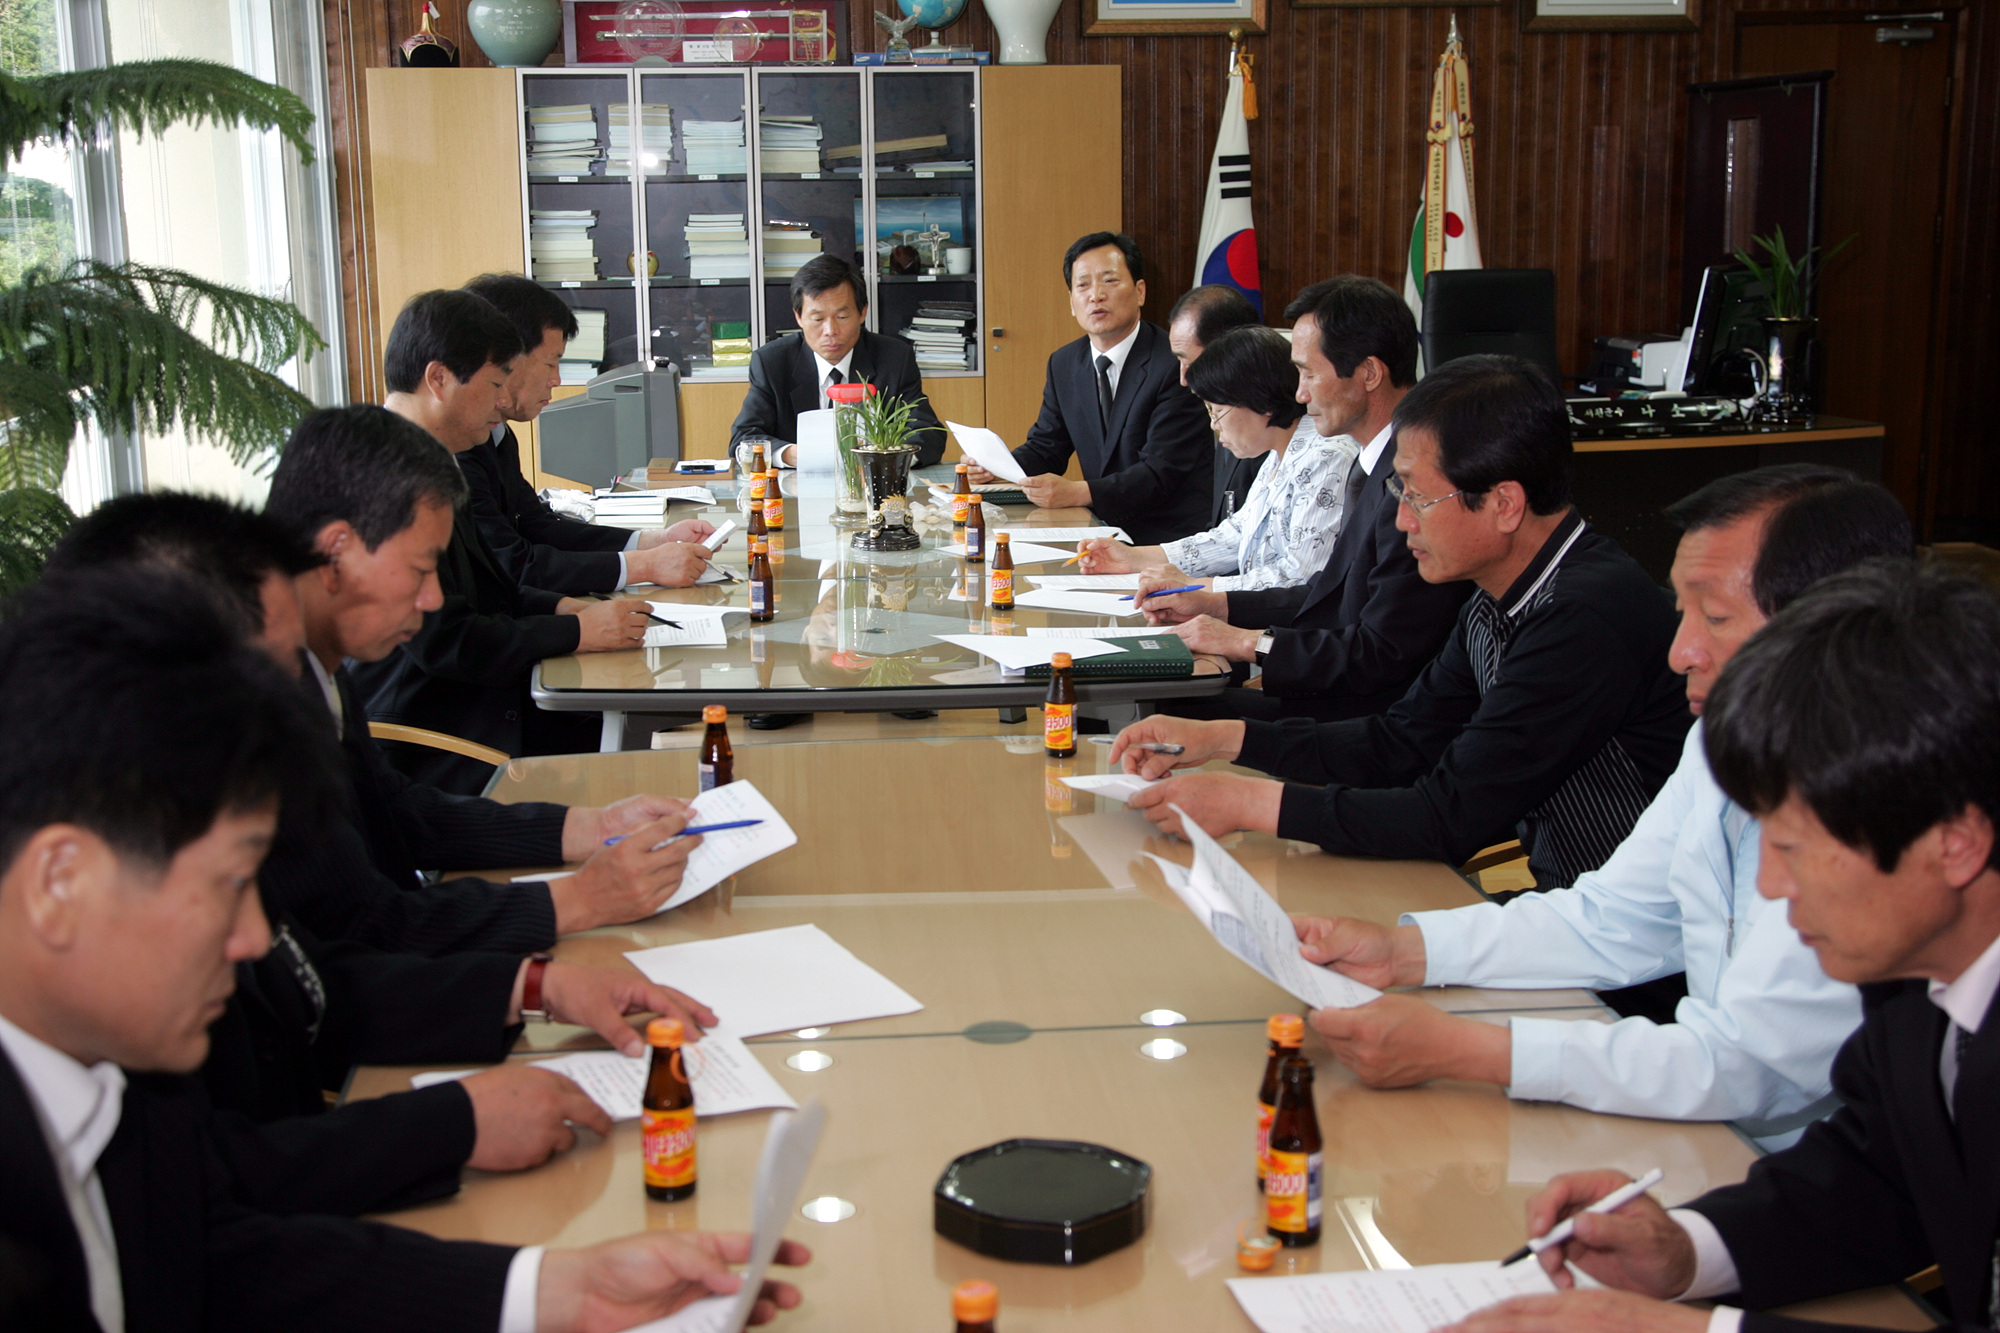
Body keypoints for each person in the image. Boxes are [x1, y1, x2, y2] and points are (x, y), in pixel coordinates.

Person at [0, 573, 808, 1333]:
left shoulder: (99, 1069)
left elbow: (221, 1254)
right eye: (224, 886)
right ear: (58, 881)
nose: (256, 939)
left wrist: (559, 1288)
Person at [43, 490, 718, 1217]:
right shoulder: (141, 880)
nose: (287, 698)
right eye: (265, 672)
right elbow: (223, 1202)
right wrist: (451, 1122)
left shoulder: (214, 783)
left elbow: (310, 977)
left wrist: (533, 985)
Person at [1439, 561, 2000, 1333]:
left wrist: (1695, 1331)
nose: (1769, 886)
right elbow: (1879, 1176)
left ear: (1956, 843)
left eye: (1795, 847)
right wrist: (1687, 1249)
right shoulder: (1919, 979)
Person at [1286, 471, 1912, 1141]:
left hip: (1815, 1176)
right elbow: (1614, 916)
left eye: (1718, 618)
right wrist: (1404, 951)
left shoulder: (1895, 803)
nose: (1680, 653)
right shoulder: (1720, 740)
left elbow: (1746, 1064)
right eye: (1684, 613)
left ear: (1836, 625)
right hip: (1701, 1130)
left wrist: (1472, 1050)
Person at [1111, 354, 1692, 889]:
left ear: (1504, 504)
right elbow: (1401, 740)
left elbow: (1448, 814)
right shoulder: (1497, 595)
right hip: (1571, 905)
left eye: (1415, 496)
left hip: (1623, 944)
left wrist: (1246, 805)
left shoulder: (1582, 618)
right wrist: (1220, 740)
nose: (1402, 521)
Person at [267, 405, 703, 952]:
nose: (431, 600)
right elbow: (362, 933)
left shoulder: (311, 666)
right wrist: (579, 900)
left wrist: (592, 827)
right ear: (336, 549)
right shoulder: (254, 712)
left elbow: (399, 811)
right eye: (420, 570)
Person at [350, 289, 655, 791]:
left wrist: (567, 610)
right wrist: (578, 632)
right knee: (634, 733)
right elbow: (450, 641)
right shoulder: (387, 479)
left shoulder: (433, 458)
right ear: (439, 379)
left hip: (485, 695)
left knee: (639, 713)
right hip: (438, 733)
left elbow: (490, 588)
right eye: (495, 383)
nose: (502, 400)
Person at [1137, 276, 1469, 723]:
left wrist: (1246, 643)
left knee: (1174, 710)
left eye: (1310, 373)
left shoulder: (1414, 479)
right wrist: (1213, 605)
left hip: (1376, 716)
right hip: (1340, 684)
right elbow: (1329, 594)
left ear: (1369, 373)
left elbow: (1380, 652)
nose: (1299, 394)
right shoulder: (1372, 461)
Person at [459, 273, 715, 593]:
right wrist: (644, 565)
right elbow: (513, 565)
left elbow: (539, 526)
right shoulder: (459, 448)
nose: (557, 380)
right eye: (551, 364)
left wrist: (651, 541)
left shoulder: (498, 435)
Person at [965, 232, 1213, 545]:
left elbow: (1161, 471)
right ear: (1071, 302)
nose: (1095, 295)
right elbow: (1047, 447)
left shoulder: (1173, 362)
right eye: (1083, 285)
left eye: (1109, 281)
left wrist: (1079, 491)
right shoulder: (1065, 363)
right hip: (1097, 527)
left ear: (1140, 292)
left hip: (1169, 534)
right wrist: (996, 467)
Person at [1076, 325, 1352, 592]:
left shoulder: (1325, 459)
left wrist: (1195, 587)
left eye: (1217, 410)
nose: (1214, 425)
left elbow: (1300, 577)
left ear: (1262, 402)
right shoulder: (1279, 455)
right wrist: (1132, 557)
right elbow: (1234, 537)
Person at [729, 254, 945, 468]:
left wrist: (885, 457)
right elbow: (743, 440)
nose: (830, 331)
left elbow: (929, 435)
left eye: (842, 317)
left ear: (862, 313)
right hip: (795, 492)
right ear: (798, 317)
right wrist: (791, 454)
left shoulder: (894, 358)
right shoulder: (772, 363)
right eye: (818, 319)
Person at [1165, 283, 1267, 525]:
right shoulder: (1224, 410)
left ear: (1229, 350)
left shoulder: (1269, 427)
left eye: (1190, 362)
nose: (1183, 378)